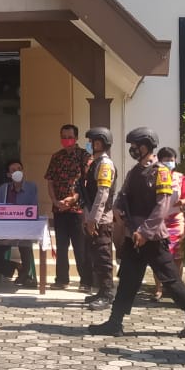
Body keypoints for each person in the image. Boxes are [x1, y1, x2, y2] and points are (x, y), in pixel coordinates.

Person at [88, 128, 185, 339]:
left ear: (145, 146)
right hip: (134, 236)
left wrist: (145, 231)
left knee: (170, 279)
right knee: (127, 280)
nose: (132, 149)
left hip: (153, 237)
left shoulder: (161, 172)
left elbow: (162, 206)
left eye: (135, 146)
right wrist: (117, 208)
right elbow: (123, 194)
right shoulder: (134, 172)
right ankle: (115, 322)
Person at [44, 123, 90, 290]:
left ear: (76, 138)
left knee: (80, 247)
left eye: (70, 137)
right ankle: (62, 280)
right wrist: (55, 201)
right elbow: (50, 181)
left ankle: (86, 281)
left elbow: (86, 183)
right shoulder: (56, 157)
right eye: (63, 137)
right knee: (62, 247)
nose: (67, 140)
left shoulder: (84, 156)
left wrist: (72, 199)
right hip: (59, 209)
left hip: (77, 210)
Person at [0, 161, 40, 287]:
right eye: (13, 170)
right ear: (9, 175)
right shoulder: (3, 189)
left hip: (24, 229)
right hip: (6, 231)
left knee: (25, 242)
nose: (17, 172)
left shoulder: (32, 187)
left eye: (19, 169)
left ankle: (26, 275)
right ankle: (18, 267)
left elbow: (34, 209)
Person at [81, 127, 117, 308]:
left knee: (103, 257)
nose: (89, 145)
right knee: (96, 256)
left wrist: (93, 220)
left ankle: (108, 293)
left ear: (100, 143)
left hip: (101, 220)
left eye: (92, 142)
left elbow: (102, 194)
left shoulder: (105, 164)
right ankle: (101, 291)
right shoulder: (95, 163)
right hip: (93, 218)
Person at [150, 148, 185, 302]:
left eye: (171, 159)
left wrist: (182, 201)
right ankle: (158, 289)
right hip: (159, 220)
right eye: (166, 159)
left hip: (176, 220)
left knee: (178, 256)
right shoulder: (154, 176)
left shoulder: (180, 177)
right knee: (158, 255)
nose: (169, 162)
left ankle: (176, 289)